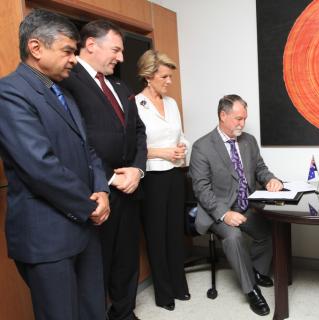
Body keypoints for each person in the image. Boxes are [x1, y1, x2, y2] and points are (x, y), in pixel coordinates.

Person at [0, 9, 110, 320]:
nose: (74, 59)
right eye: (68, 51)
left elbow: (88, 150)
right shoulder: (9, 93)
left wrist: (101, 190)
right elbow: (40, 166)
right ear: (36, 48)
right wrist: (89, 206)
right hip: (47, 236)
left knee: (93, 311)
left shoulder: (63, 93)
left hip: (85, 225)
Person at [60, 20, 147, 320]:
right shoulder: (67, 82)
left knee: (126, 259)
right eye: (116, 50)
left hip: (130, 188)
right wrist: (110, 176)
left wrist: (137, 170)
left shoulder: (121, 86)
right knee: (97, 264)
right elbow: (75, 138)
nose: (121, 58)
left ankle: (124, 313)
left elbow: (138, 132)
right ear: (91, 45)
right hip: (97, 191)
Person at [189, 94, 283, 316]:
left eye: (244, 119)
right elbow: (201, 190)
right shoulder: (202, 146)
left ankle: (257, 271)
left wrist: (271, 178)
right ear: (223, 115)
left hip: (246, 205)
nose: (242, 123)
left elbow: (260, 168)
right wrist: (224, 214)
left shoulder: (248, 141)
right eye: (238, 119)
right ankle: (251, 290)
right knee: (233, 237)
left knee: (269, 230)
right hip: (217, 210)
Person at [135, 50, 190, 310]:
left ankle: (179, 286)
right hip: (152, 178)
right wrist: (161, 152)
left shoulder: (171, 104)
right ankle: (164, 293)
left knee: (174, 233)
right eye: (164, 76)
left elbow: (180, 135)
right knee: (156, 236)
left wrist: (181, 148)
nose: (169, 81)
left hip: (174, 175)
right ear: (148, 76)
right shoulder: (134, 104)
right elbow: (133, 148)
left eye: (171, 76)